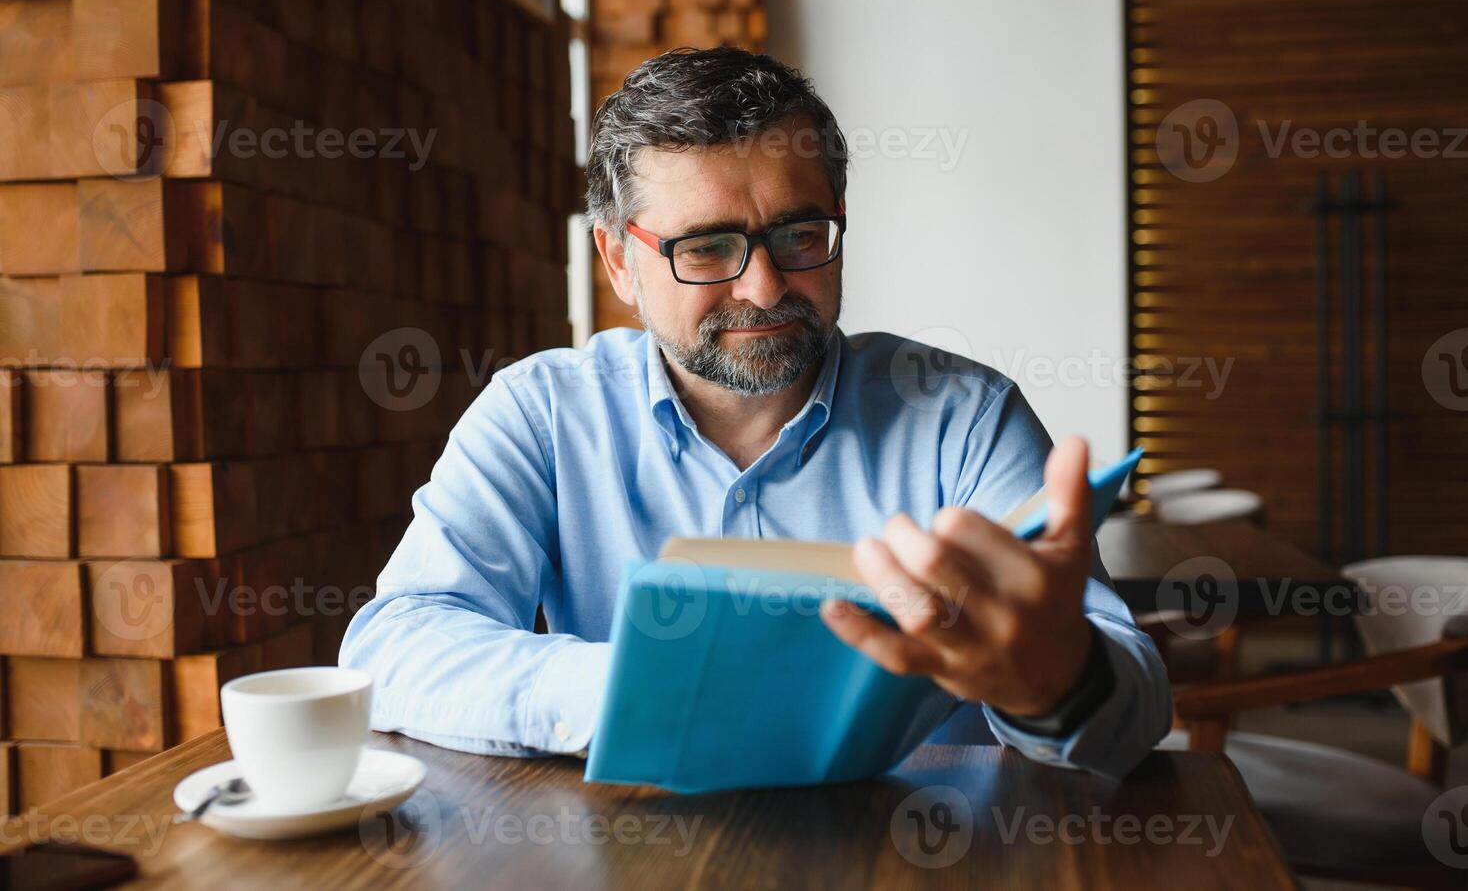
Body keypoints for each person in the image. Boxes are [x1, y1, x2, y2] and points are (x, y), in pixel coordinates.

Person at [341, 47, 1171, 779]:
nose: (765, 287)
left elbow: (1135, 704)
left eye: (800, 234)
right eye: (706, 248)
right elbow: (400, 643)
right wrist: (643, 692)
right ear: (618, 261)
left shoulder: (964, 416)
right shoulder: (540, 414)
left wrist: (1057, 681)